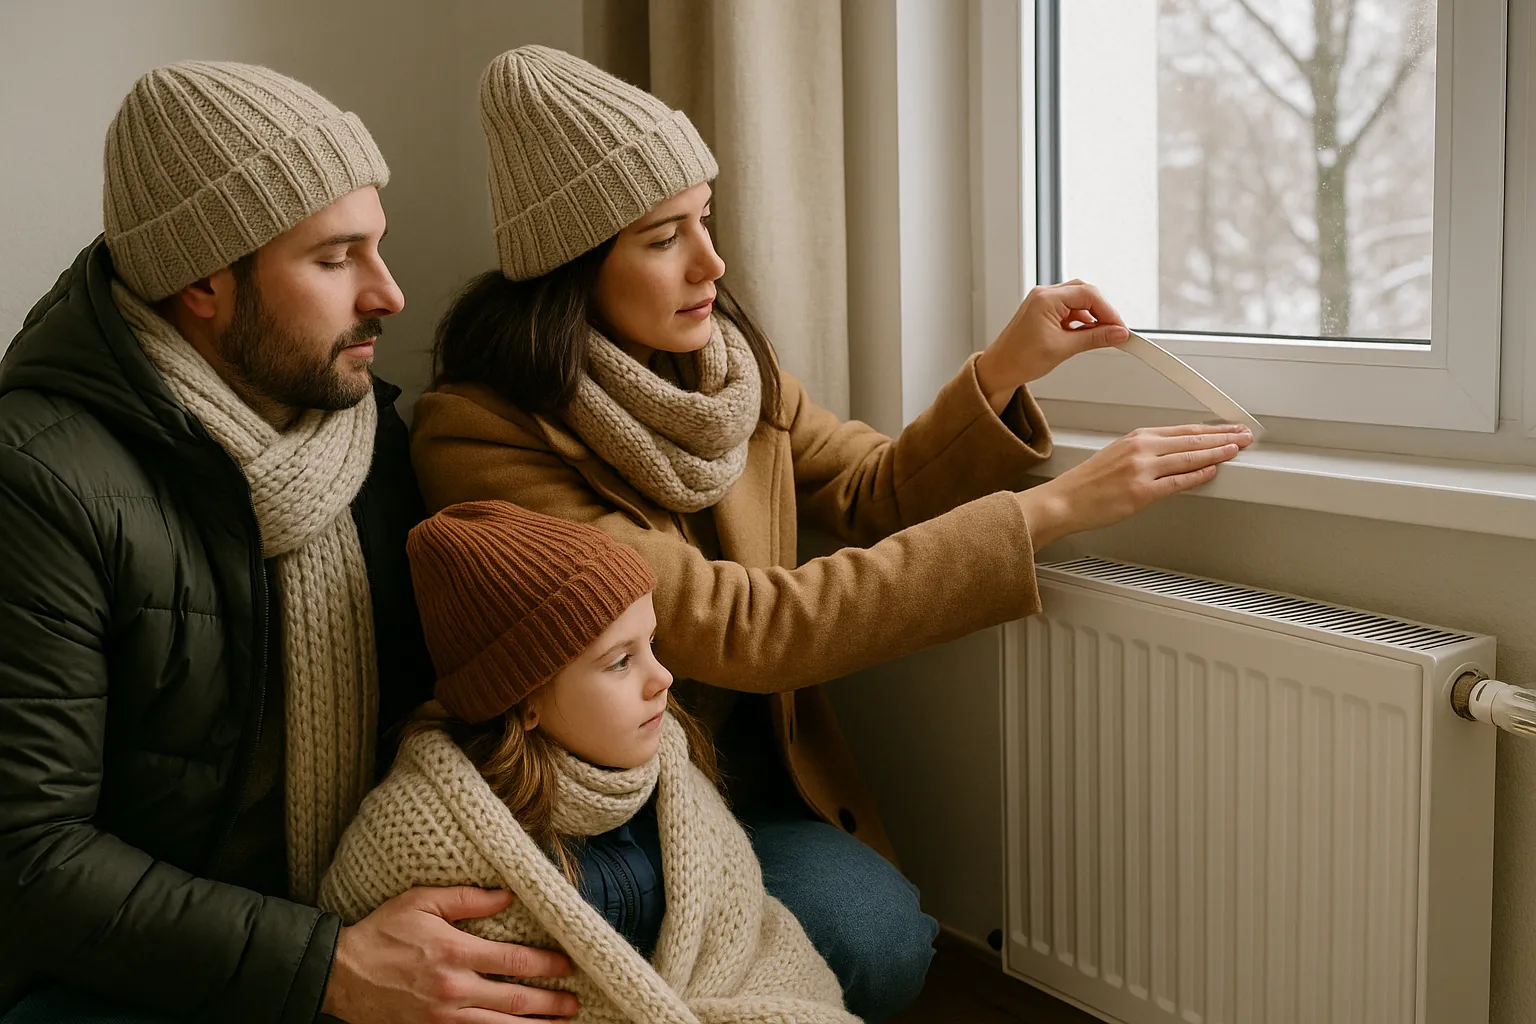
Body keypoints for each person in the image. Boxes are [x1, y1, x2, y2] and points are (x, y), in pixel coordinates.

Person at [411, 45, 1255, 1022]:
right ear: (571, 265)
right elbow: (742, 627)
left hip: (743, 782)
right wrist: (1048, 511)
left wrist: (1005, 369)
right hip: (595, 814)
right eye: (663, 237)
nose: (712, 263)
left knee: (884, 934)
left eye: (707, 220)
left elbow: (870, 486)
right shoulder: (479, 431)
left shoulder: (729, 372)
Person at [0, 62, 575, 1024]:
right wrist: (329, 967)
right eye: (335, 257)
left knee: (859, 924)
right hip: (140, 963)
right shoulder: (40, 480)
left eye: (377, 247)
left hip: (365, 887)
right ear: (203, 283)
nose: (390, 294)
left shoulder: (374, 434)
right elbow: (28, 858)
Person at [322, 500, 860, 1024]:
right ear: (525, 700)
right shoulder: (425, 832)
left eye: (651, 643)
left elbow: (743, 933)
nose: (663, 679)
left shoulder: (670, 776)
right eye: (621, 661)